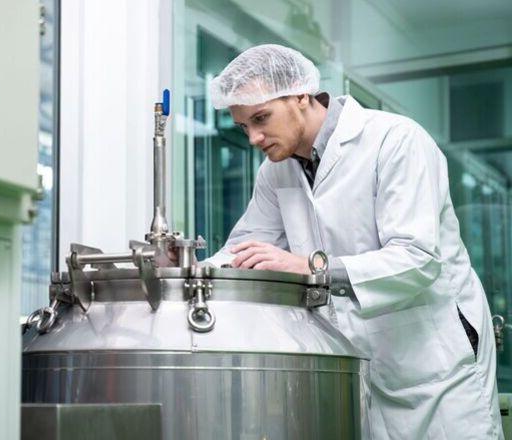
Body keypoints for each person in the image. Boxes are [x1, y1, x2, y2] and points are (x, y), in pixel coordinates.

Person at [205, 44, 502, 439]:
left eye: (261, 118)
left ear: (300, 94)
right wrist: (183, 276)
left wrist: (312, 268)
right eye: (244, 126)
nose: (254, 137)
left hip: (433, 362)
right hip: (355, 361)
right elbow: (243, 250)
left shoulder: (395, 140)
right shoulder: (275, 173)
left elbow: (417, 258)